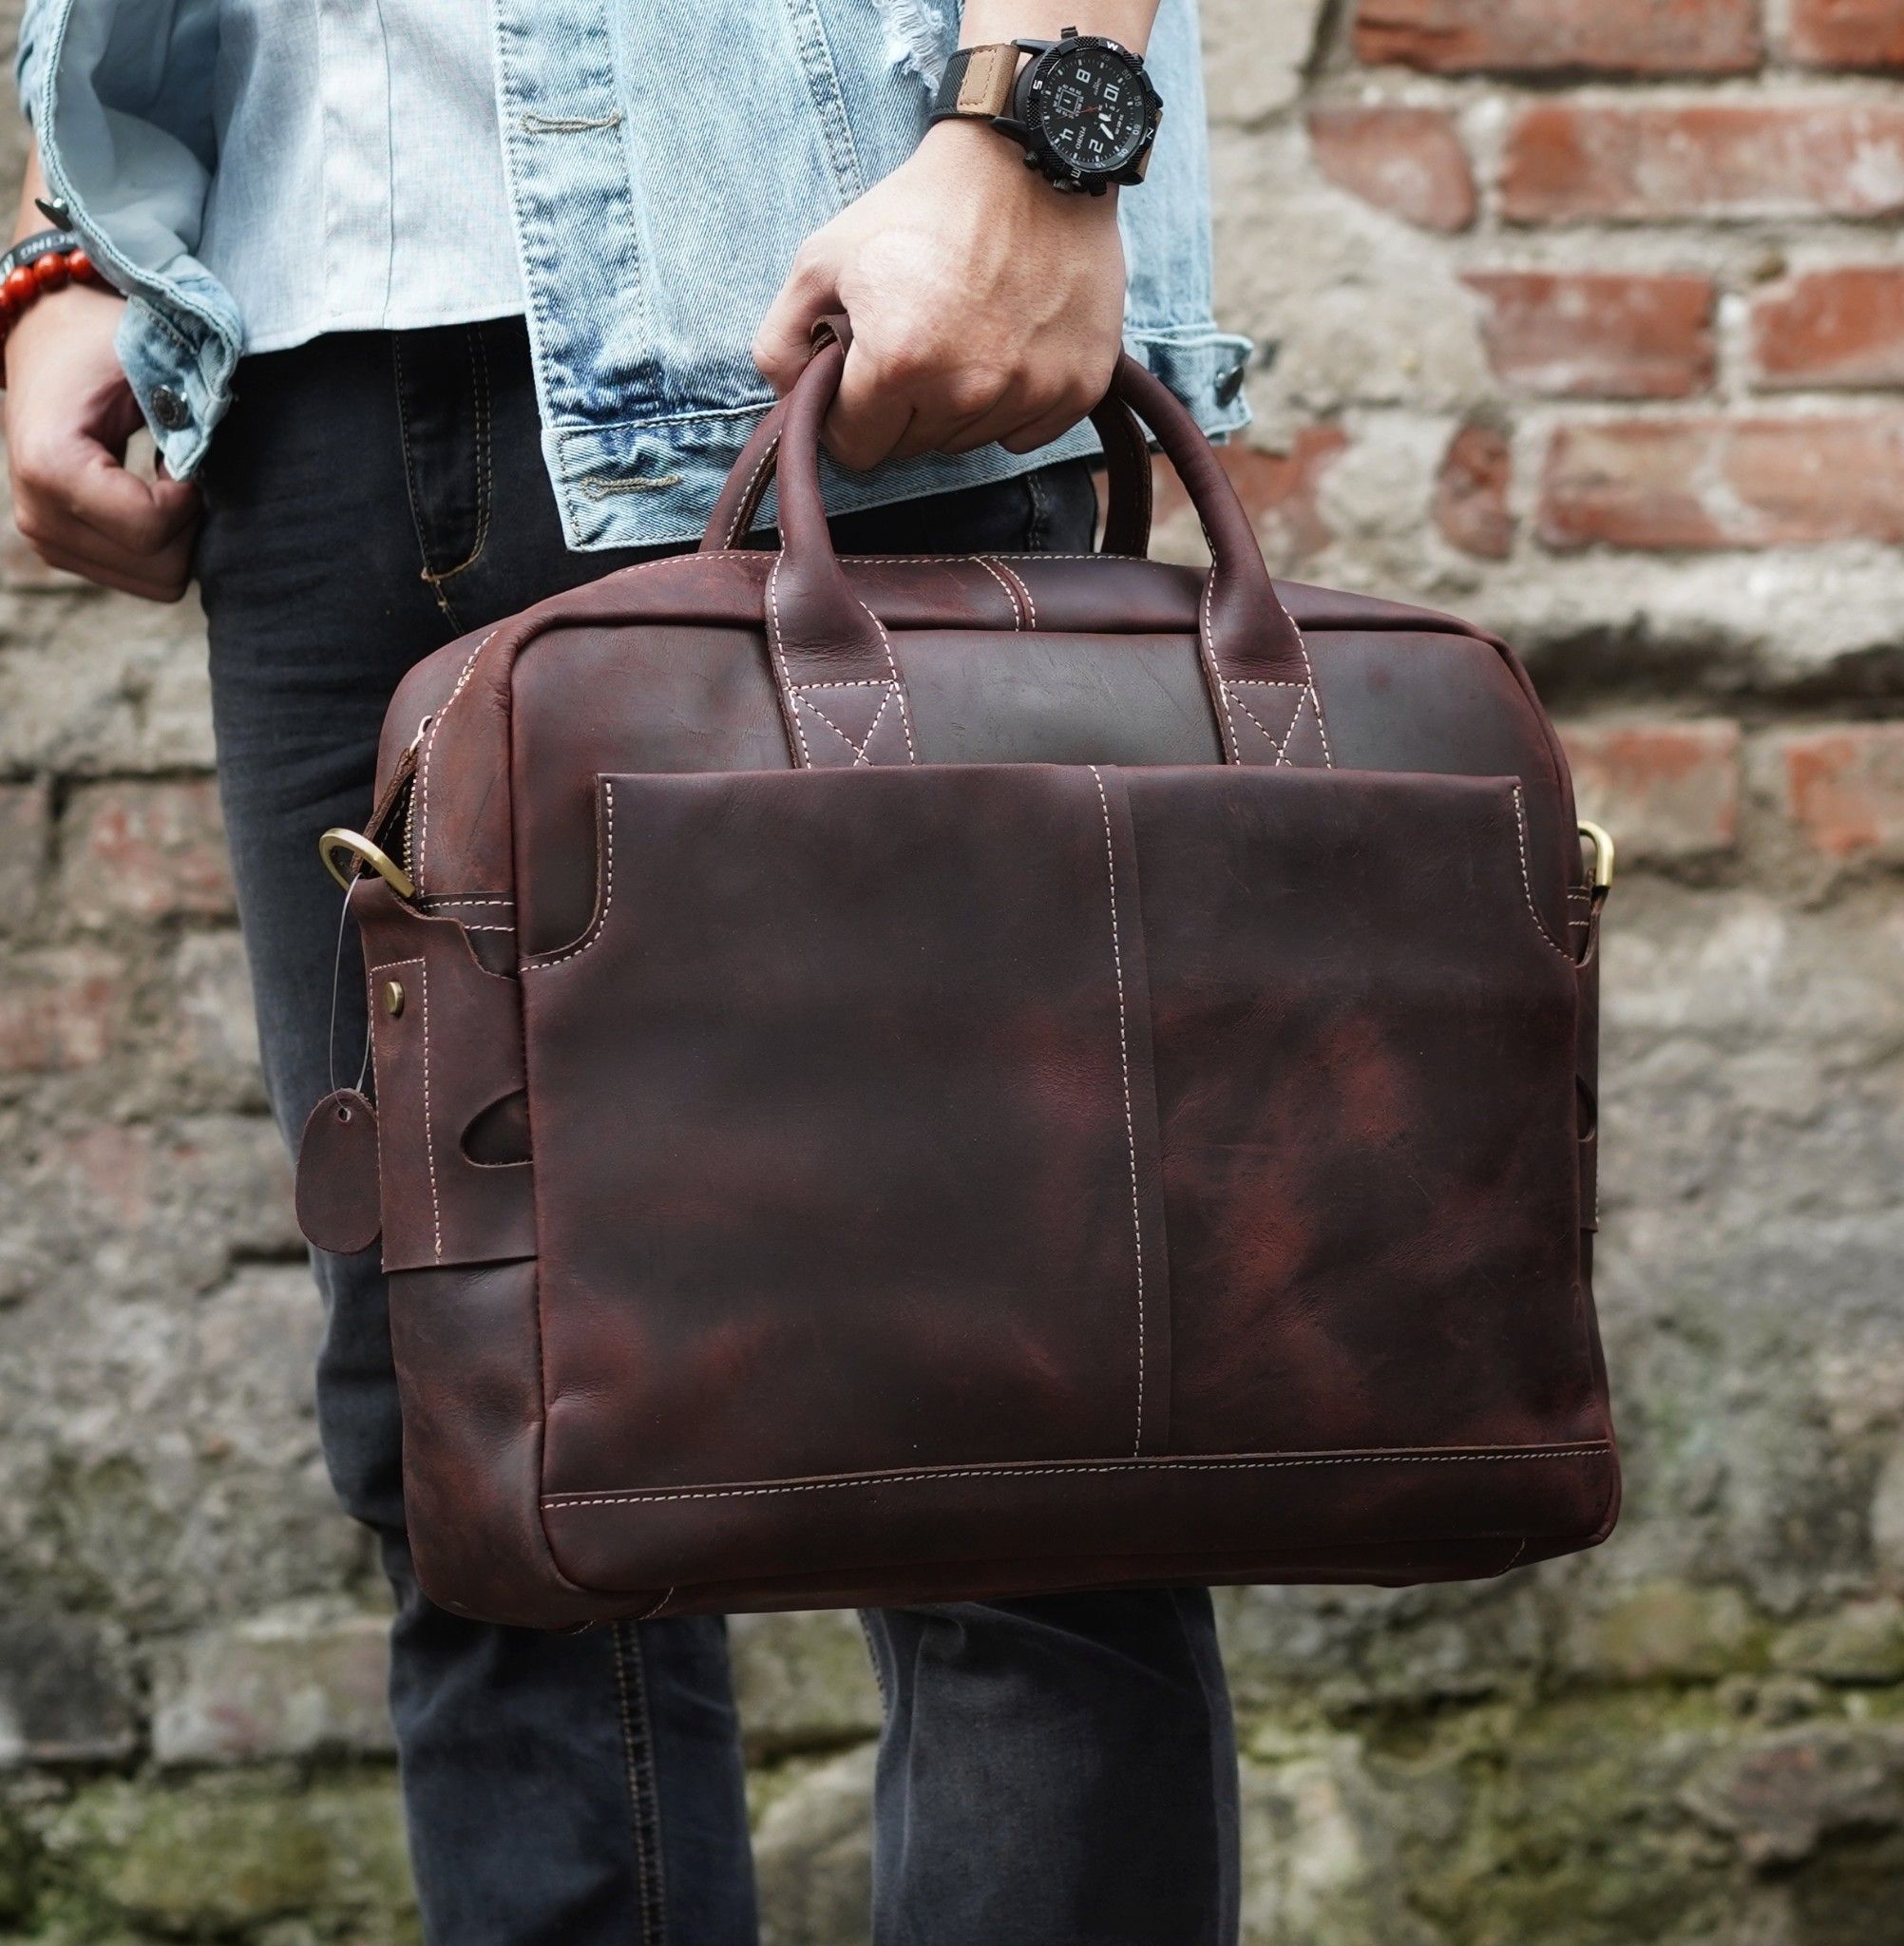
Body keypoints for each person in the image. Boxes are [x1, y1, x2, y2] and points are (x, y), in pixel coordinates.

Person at [5, 3, 1249, 1939]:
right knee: (471, 1459)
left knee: (1008, 1433)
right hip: (304, 369)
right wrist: (71, 236)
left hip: (833, 309)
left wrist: (1041, 118)